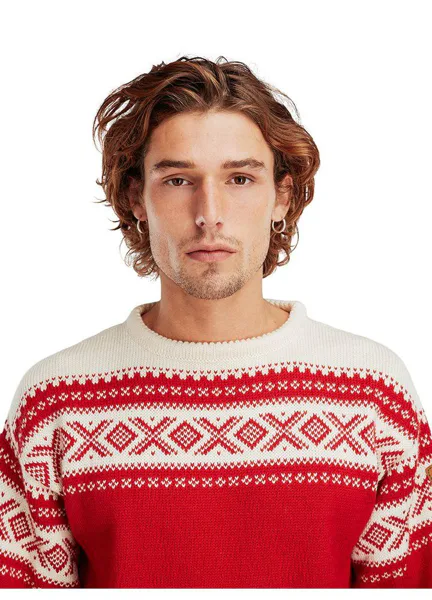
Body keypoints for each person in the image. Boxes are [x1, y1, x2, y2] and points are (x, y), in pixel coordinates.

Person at [0, 55, 431, 589]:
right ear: (137, 198)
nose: (209, 213)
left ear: (282, 196)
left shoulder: (374, 394)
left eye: (240, 178)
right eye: (179, 179)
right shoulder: (54, 402)